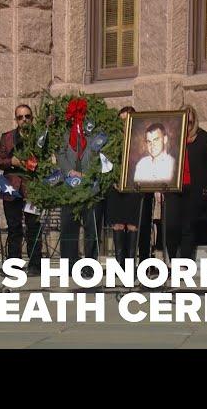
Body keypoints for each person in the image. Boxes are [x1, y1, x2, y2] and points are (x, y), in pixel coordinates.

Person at [164, 105, 207, 261]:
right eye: (183, 121)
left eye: (189, 122)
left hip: (194, 188)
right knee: (172, 226)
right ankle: (173, 258)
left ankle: (185, 263)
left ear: (194, 122)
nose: (186, 126)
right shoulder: (170, 137)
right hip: (174, 188)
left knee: (188, 227)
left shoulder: (203, 137)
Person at [57, 98, 103, 278]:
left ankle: (90, 265)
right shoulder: (64, 133)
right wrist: (70, 171)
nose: (78, 118)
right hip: (70, 186)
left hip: (91, 187)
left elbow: (100, 155)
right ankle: (69, 265)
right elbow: (60, 154)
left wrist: (88, 174)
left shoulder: (95, 132)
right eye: (75, 114)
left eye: (81, 114)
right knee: (69, 226)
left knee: (92, 228)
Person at [0, 104, 42, 275]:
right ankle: (14, 264)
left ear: (32, 118)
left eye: (27, 116)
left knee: (33, 226)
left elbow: (45, 159)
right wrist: (12, 162)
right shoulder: (7, 137)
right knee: (14, 227)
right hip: (12, 188)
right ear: (16, 119)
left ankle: (35, 264)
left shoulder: (39, 136)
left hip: (32, 188)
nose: (24, 120)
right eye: (20, 117)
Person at [106, 106, 143, 268]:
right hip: (116, 188)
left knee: (133, 225)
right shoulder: (111, 140)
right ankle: (120, 265)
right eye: (121, 121)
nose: (124, 124)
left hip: (134, 187)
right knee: (118, 224)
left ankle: (131, 266)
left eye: (128, 120)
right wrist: (114, 179)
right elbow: (105, 162)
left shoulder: (140, 141)